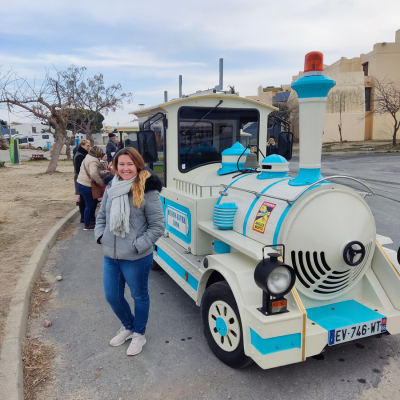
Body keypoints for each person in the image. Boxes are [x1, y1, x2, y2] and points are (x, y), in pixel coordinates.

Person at [94, 147, 164, 356]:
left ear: (138, 165)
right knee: (112, 296)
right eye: (121, 164)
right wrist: (100, 236)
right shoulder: (111, 187)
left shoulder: (147, 189)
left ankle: (139, 333)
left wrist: (137, 245)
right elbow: (102, 216)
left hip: (136, 257)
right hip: (111, 255)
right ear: (115, 166)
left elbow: (158, 226)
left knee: (139, 296)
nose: (125, 168)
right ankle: (128, 326)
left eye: (129, 164)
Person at [76, 146, 104, 230]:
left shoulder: (88, 157)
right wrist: (100, 182)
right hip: (86, 184)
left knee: (93, 202)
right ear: (98, 153)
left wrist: (103, 172)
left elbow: (93, 171)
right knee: (90, 204)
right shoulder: (93, 160)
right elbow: (93, 173)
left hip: (81, 182)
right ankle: (87, 224)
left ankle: (92, 220)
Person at [73, 139, 91, 223]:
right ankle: (83, 217)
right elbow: (78, 169)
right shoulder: (80, 155)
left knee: (83, 198)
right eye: (87, 145)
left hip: (81, 177)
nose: (89, 147)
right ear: (82, 145)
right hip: (81, 178)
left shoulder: (82, 154)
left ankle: (84, 216)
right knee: (83, 198)